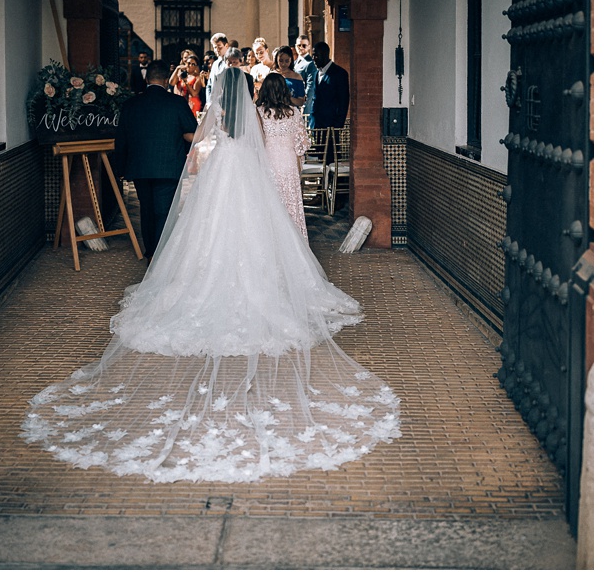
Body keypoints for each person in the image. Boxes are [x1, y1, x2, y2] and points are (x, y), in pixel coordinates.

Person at [22, 69, 401, 482]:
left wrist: (211, 147)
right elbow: (257, 147)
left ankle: (202, 282)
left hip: (222, 169)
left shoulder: (217, 109)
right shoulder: (255, 116)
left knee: (207, 231)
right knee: (254, 231)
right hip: (246, 174)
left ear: (222, 92)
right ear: (246, 90)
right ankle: (257, 281)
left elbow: (201, 138)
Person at [112, 62, 199, 259]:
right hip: (169, 166)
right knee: (164, 212)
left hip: (139, 166)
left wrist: (121, 168)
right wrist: (181, 150)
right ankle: (160, 257)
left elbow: (121, 140)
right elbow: (192, 132)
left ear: (146, 79)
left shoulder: (130, 104)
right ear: (167, 79)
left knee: (147, 210)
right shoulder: (176, 102)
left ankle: (151, 251)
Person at [256, 72, 310, 238]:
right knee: (291, 205)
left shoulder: (259, 112)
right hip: (288, 162)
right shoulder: (294, 112)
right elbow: (302, 145)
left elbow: (257, 142)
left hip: (268, 161)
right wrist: (299, 163)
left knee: (270, 205)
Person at [311, 41, 350, 166]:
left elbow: (344, 101)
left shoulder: (339, 73)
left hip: (331, 125)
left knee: (331, 158)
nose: (313, 59)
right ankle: (322, 183)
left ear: (325, 54)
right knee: (319, 157)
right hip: (318, 125)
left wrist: (338, 125)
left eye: (316, 55)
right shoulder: (317, 73)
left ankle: (332, 183)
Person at [294, 35, 318, 123]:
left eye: (304, 45)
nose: (301, 48)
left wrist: (304, 105)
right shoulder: (295, 63)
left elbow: (310, 86)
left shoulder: (310, 63)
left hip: (303, 104)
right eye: (298, 45)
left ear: (309, 46)